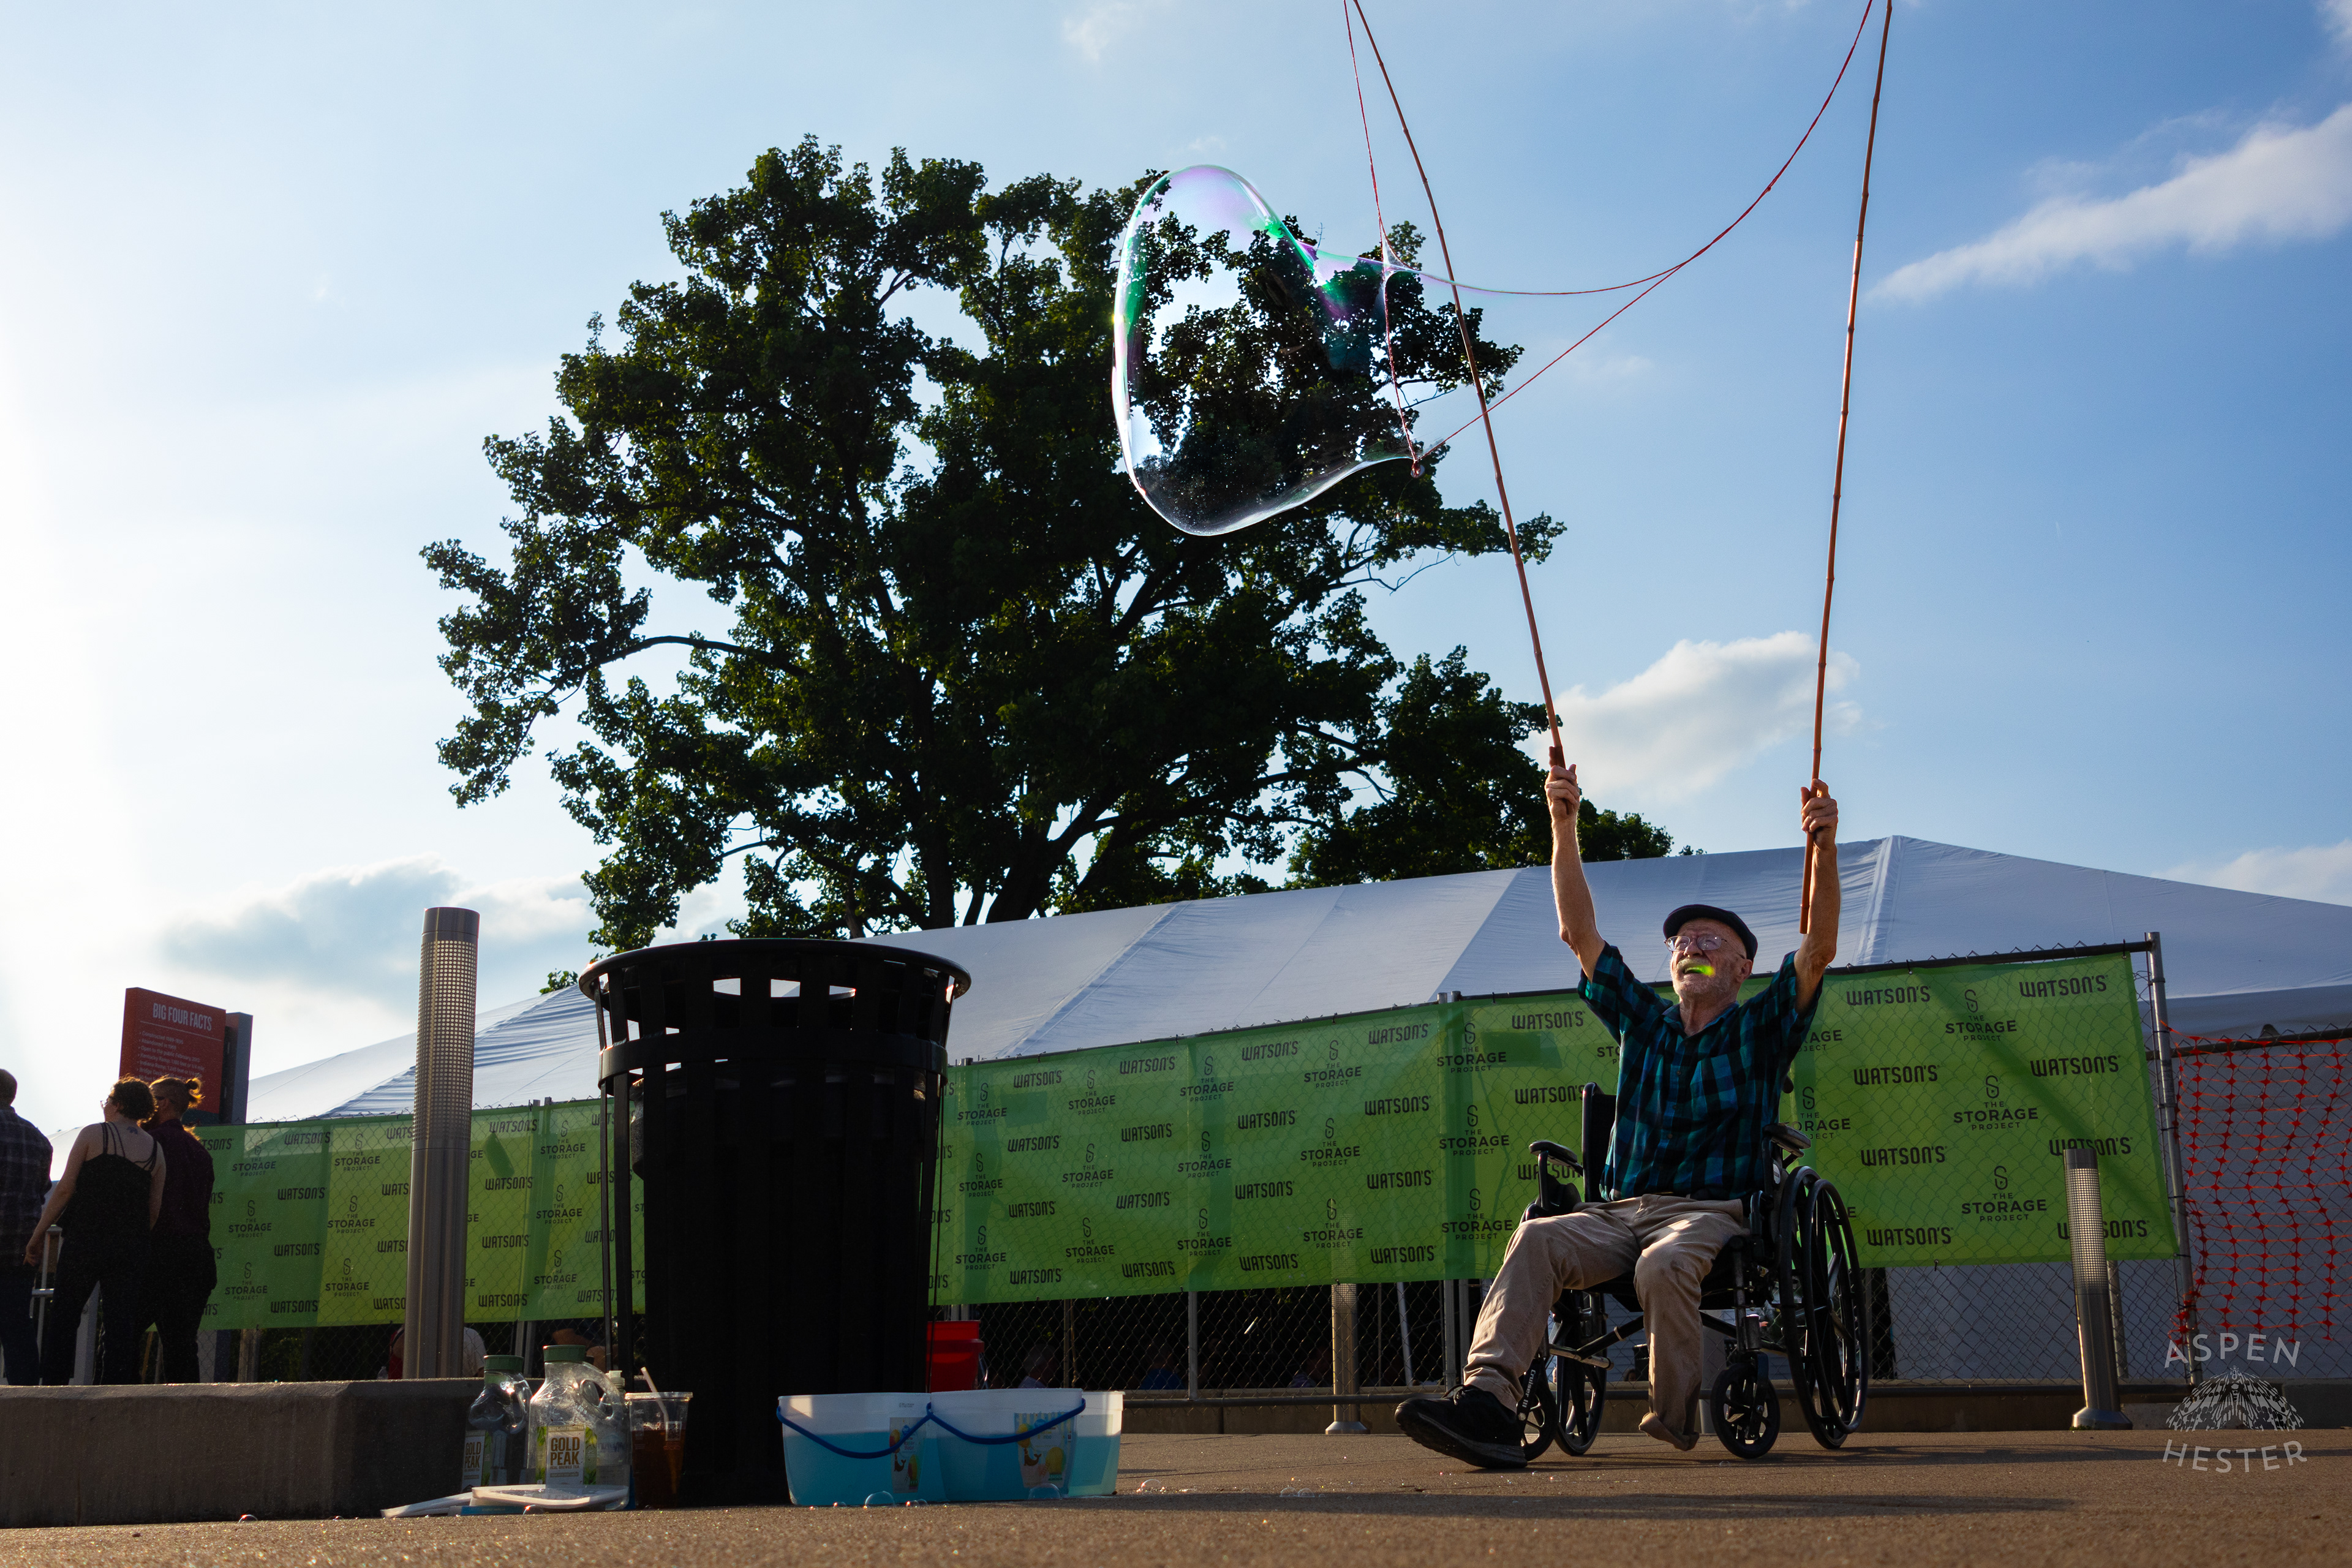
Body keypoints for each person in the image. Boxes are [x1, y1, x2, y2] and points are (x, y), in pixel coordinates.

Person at [1396, 763, 1840, 1466]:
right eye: (1682, 941)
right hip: (1619, 1213)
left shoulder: (1760, 1029)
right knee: (1537, 1237)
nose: (1691, 947)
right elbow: (1578, 933)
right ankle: (1489, 1402)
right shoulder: (1643, 1021)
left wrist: (1823, 846)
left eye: (1710, 941)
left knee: (1664, 1264)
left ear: (1742, 968)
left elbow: (1817, 950)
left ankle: (1676, 1414)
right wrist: (1563, 823)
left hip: (1710, 1213)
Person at [25, 1078, 167, 1384]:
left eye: (108, 1101)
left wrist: (38, 1235)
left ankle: (53, 1392)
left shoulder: (94, 1134)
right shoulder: (156, 1151)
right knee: (120, 1325)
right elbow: (153, 1211)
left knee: (65, 1317)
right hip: (131, 1246)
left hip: (85, 1239)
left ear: (118, 1104)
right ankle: (113, 1395)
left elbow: (65, 1190)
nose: (105, 1106)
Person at [135, 1076, 217, 1382]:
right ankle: (187, 1409)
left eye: (151, 1099)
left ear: (164, 1104)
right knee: (182, 1346)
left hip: (158, 1252)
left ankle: (112, 1404)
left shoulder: (149, 1143)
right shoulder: (199, 1152)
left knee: (121, 1335)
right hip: (196, 1257)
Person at [0, 1069, 56, 1385]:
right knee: (17, 1327)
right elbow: (41, 1188)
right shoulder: (38, 1139)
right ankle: (26, 1399)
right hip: (21, 1248)